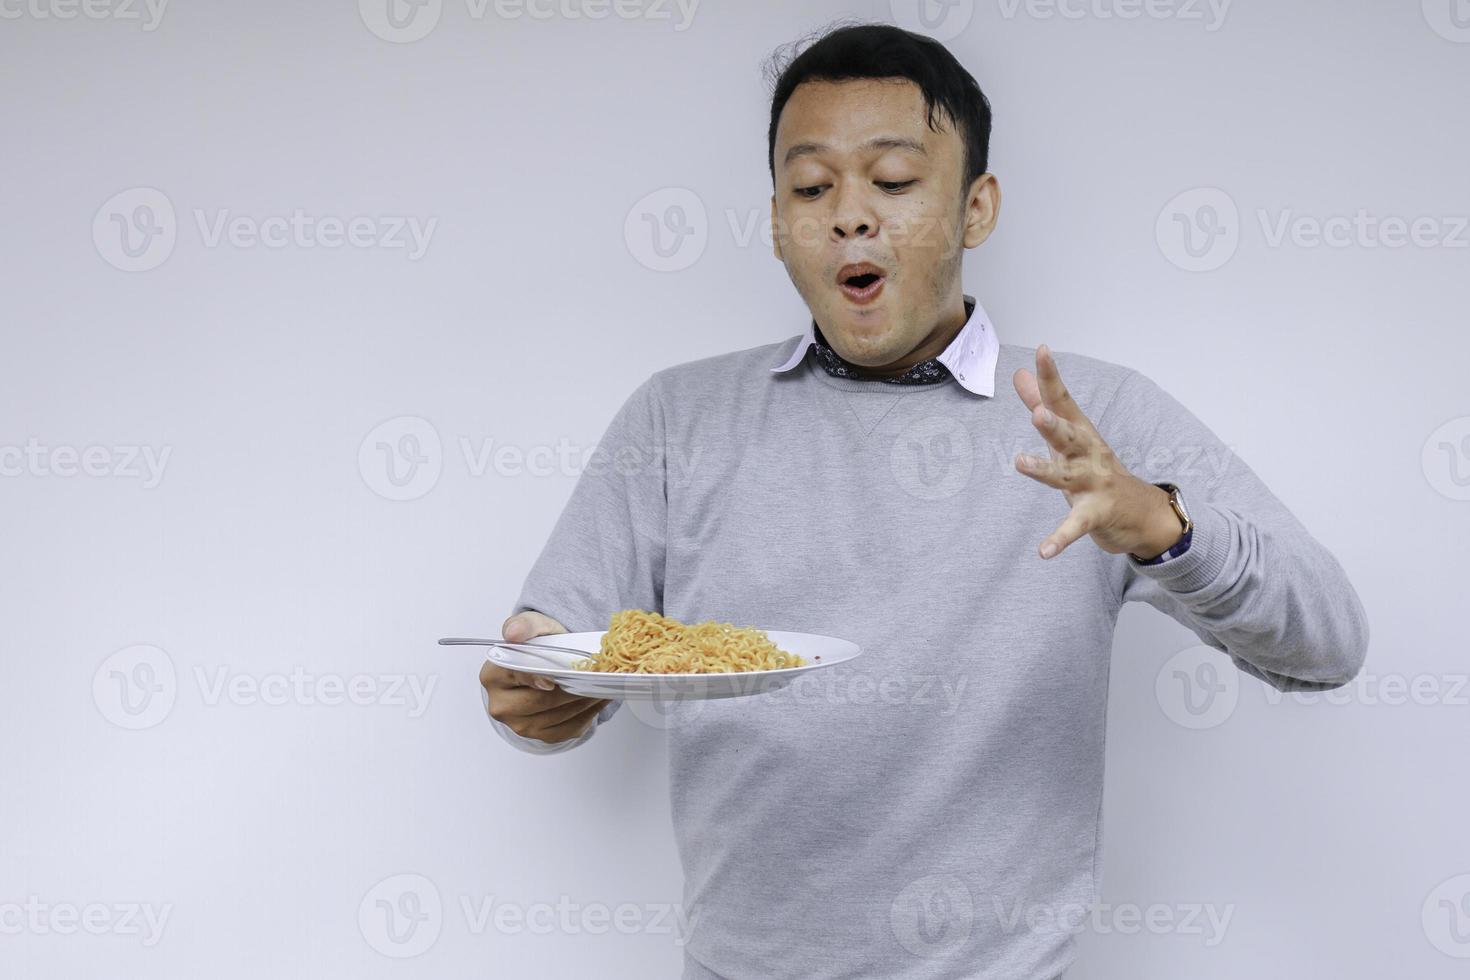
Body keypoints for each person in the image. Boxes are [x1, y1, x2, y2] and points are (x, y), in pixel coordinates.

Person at [480, 21, 1369, 980]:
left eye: (894, 183)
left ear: (976, 207)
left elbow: (1330, 647)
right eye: (811, 188)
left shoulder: (1087, 422)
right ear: (778, 221)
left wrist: (1163, 527)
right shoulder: (678, 417)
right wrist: (534, 687)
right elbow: (553, 645)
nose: (849, 217)